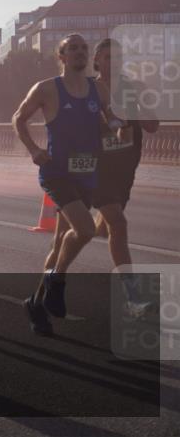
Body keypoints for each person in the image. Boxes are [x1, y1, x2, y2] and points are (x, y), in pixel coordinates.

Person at [13, 34, 124, 335]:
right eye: (72, 48)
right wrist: (35, 150)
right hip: (57, 172)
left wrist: (117, 128)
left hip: (86, 172)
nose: (80, 52)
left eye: (83, 48)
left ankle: (35, 304)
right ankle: (56, 281)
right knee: (86, 230)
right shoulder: (47, 88)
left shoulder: (98, 88)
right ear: (61, 56)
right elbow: (18, 119)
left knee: (60, 243)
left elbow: (110, 116)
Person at [88, 39, 158, 314]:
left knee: (101, 228)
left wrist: (141, 105)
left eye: (116, 57)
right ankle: (132, 297)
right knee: (118, 223)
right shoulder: (87, 90)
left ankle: (71, 236)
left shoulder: (135, 87)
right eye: (106, 57)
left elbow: (152, 126)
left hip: (126, 167)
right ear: (96, 60)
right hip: (98, 166)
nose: (111, 62)